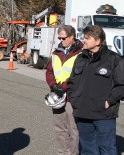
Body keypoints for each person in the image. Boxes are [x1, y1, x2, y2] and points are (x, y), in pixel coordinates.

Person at [67, 25, 124, 154]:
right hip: (83, 113)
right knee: (87, 149)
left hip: (104, 115)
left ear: (98, 41)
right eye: (84, 37)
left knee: (106, 149)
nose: (84, 40)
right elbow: (72, 82)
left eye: (87, 38)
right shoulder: (80, 58)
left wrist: (108, 101)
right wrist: (74, 99)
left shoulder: (114, 60)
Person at [45, 25, 82, 155]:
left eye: (63, 38)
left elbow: (78, 76)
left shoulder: (81, 54)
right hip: (57, 96)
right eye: (59, 38)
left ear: (72, 37)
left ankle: (73, 153)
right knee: (59, 127)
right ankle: (63, 152)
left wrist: (63, 87)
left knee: (73, 129)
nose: (61, 40)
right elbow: (49, 72)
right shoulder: (57, 52)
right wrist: (53, 85)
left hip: (72, 97)